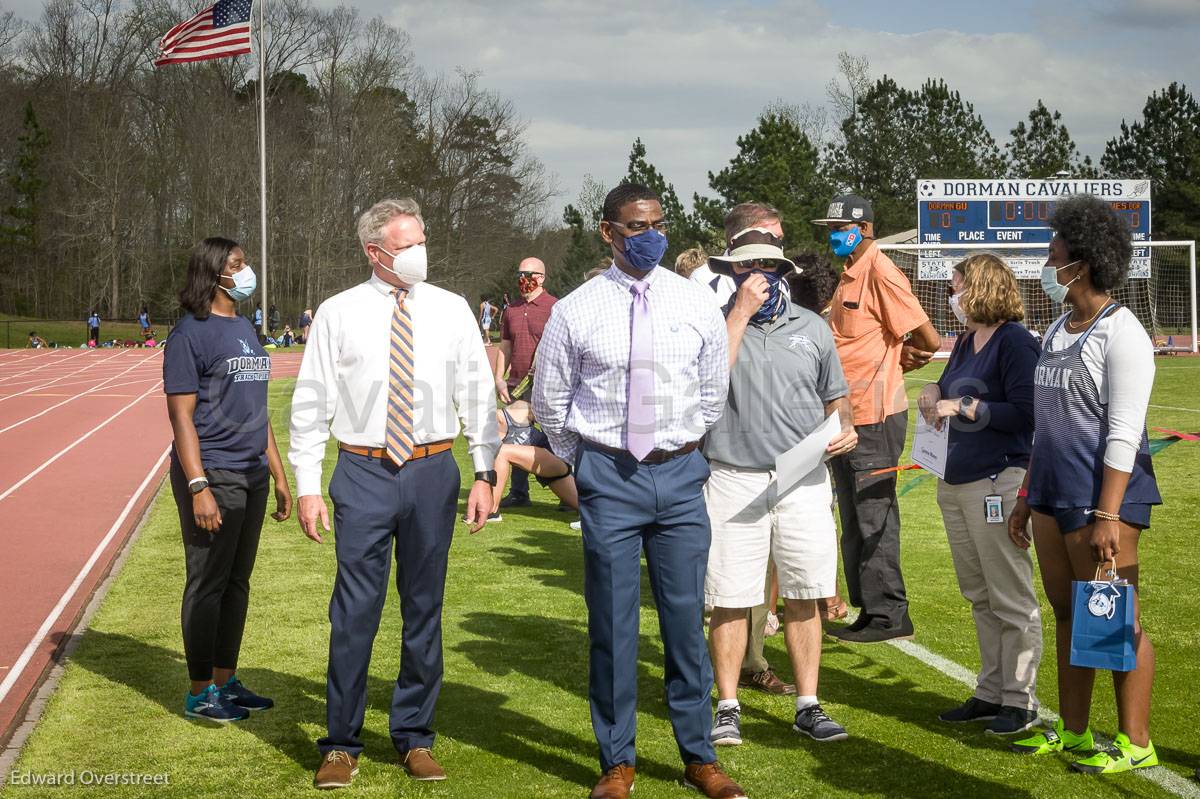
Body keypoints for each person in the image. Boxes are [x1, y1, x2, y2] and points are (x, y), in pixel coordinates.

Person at [533, 183, 744, 799]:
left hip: (680, 477)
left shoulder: (695, 302)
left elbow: (712, 392)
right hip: (609, 477)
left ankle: (699, 757)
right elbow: (551, 401)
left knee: (683, 622)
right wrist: (586, 468)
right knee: (614, 626)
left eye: (657, 224)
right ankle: (616, 761)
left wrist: (680, 447)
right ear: (607, 232)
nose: (649, 235)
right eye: (635, 227)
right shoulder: (575, 309)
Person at [290, 198, 499, 789]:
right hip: (363, 472)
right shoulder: (338, 312)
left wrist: (484, 472)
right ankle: (340, 742)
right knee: (354, 612)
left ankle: (414, 735)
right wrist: (309, 487)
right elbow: (311, 401)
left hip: (434, 470)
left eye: (422, 238)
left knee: (423, 609)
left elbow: (478, 396)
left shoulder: (453, 309)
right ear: (374, 251)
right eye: (406, 244)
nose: (419, 252)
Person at [1006, 195, 1162, 774]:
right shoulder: (1055, 327)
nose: (1048, 259)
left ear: (1085, 261)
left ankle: (1135, 742)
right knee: (1070, 614)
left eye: (1056, 250)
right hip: (1051, 491)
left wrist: (1108, 516)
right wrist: (1026, 495)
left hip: (1103, 500)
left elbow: (1124, 433)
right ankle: (1074, 735)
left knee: (1117, 618)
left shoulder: (1123, 333)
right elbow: (1045, 424)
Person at [702, 229, 857, 748]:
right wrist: (739, 316)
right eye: (747, 268)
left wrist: (847, 425)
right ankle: (727, 706)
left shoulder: (812, 326)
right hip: (730, 475)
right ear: (732, 275)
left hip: (803, 478)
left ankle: (808, 704)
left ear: (784, 272)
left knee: (805, 594)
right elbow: (706, 384)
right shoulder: (714, 323)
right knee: (729, 597)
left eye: (770, 266)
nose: (760, 276)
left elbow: (836, 397)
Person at [162, 237, 292, 723]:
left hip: (252, 474)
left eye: (245, 264)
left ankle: (225, 680)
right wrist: (199, 486)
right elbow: (181, 418)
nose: (246, 272)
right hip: (214, 473)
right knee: (207, 583)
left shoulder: (244, 327)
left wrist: (278, 475)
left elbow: (256, 413)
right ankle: (200, 693)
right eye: (237, 265)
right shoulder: (189, 334)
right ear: (214, 272)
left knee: (237, 583)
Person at [916, 254, 1042, 736]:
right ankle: (991, 691)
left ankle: (1021, 699)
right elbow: (948, 387)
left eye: (956, 284)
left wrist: (963, 406)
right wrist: (932, 389)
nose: (951, 293)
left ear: (981, 287)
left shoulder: (1015, 341)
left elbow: (1027, 413)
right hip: (956, 479)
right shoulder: (969, 338)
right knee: (979, 595)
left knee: (1010, 596)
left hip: (997, 480)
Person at [812, 194, 942, 644]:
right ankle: (870, 609)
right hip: (847, 414)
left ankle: (890, 614)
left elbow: (928, 337)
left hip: (874, 415)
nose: (832, 234)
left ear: (864, 228)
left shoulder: (881, 271)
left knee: (874, 516)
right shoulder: (849, 274)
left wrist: (903, 360)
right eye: (828, 226)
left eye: (838, 226)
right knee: (853, 518)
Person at [495, 257, 558, 509]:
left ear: (541, 277)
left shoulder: (555, 306)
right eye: (520, 273)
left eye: (529, 274)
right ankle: (519, 492)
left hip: (548, 385)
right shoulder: (511, 309)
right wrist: (499, 378)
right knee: (515, 436)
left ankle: (567, 487)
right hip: (516, 384)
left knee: (556, 435)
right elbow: (505, 346)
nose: (524, 278)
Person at [488, 401, 578, 516]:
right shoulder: (484, 435)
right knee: (591, 510)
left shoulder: (518, 409)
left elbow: (551, 418)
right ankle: (518, 496)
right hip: (550, 476)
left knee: (502, 451)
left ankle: (491, 511)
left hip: (555, 459)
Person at [690, 202, 782, 307]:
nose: (778, 244)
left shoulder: (779, 279)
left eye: (779, 239)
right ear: (736, 239)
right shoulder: (703, 280)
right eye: (771, 237)